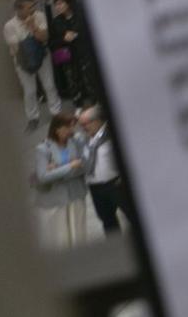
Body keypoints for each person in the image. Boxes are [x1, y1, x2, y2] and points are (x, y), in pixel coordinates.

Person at [33, 110, 91, 248]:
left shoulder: (77, 141)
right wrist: (69, 166)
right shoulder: (43, 149)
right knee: (62, 237)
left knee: (79, 235)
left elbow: (86, 164)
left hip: (76, 194)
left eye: (73, 126)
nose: (72, 130)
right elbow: (42, 177)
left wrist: (56, 169)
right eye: (68, 127)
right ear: (57, 129)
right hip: (57, 199)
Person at [77, 104, 129, 235]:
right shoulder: (84, 140)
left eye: (85, 123)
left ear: (98, 120)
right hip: (95, 188)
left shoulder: (111, 134)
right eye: (81, 124)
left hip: (115, 184)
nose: (83, 128)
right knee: (107, 221)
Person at [5, 0, 56, 125]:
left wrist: (33, 26)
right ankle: (33, 117)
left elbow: (44, 38)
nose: (34, 8)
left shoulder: (39, 16)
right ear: (19, 10)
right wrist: (28, 37)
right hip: (23, 62)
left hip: (42, 55)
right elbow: (15, 48)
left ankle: (56, 111)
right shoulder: (9, 26)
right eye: (30, 7)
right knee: (30, 91)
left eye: (33, 5)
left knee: (49, 85)